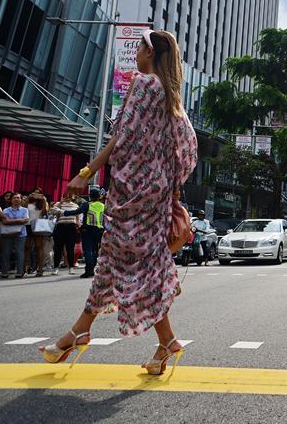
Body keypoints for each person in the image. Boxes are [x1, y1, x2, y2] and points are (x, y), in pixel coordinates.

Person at [38, 29, 198, 375]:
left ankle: (88, 332)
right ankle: (96, 332)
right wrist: (170, 191)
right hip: (151, 194)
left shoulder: (143, 85)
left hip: (134, 192)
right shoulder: (171, 98)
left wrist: (86, 173)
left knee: (134, 263)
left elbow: (120, 139)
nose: (136, 53)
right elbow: (185, 149)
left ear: (150, 53)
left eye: (139, 47)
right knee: (120, 259)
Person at [62, 188, 106, 278]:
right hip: (99, 230)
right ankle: (92, 268)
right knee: (94, 250)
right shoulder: (103, 205)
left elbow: (76, 212)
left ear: (90, 196)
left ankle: (89, 270)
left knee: (87, 250)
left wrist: (63, 212)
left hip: (88, 229)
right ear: (99, 196)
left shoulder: (87, 205)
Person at [0, 193, 29, 279]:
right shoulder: (5, 210)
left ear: (21, 200)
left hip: (21, 234)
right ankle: (4, 272)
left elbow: (26, 220)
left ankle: (20, 272)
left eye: (18, 198)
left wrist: (10, 220)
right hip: (7, 234)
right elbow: (4, 222)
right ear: (11, 200)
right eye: (14, 198)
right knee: (6, 253)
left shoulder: (25, 210)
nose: (16, 199)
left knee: (20, 253)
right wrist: (19, 220)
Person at [51, 193, 81, 274]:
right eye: (66, 196)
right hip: (60, 226)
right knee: (58, 248)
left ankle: (71, 267)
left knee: (70, 248)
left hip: (71, 227)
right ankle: (56, 268)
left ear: (73, 197)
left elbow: (77, 218)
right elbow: (52, 211)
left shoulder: (75, 205)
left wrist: (78, 226)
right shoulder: (59, 204)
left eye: (70, 195)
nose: (68, 197)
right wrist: (60, 202)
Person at [24, 190, 49, 277]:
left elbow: (45, 212)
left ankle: (40, 269)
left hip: (38, 224)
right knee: (26, 247)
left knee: (39, 247)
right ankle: (25, 269)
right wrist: (28, 197)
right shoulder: (28, 201)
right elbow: (23, 208)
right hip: (27, 225)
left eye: (39, 193)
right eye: (35, 192)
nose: (37, 194)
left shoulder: (42, 202)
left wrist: (44, 200)